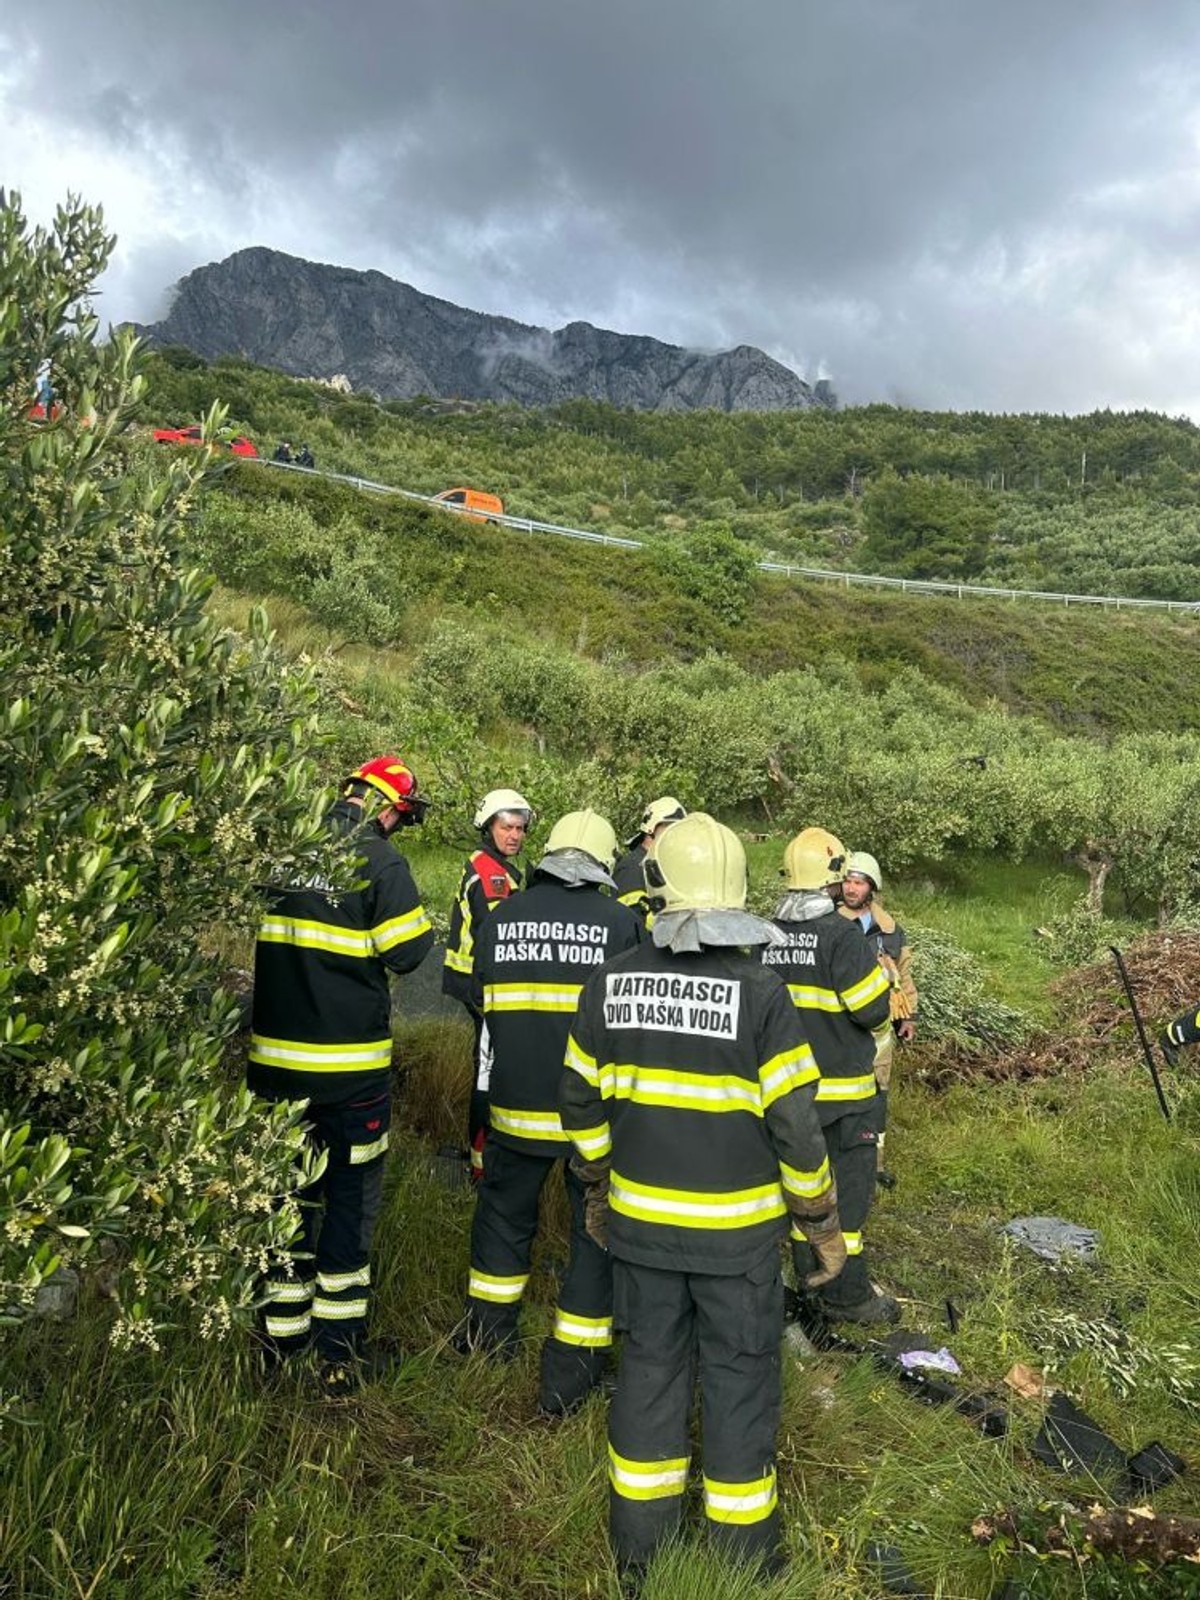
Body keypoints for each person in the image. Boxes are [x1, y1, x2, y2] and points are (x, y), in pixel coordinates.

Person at [560, 813, 844, 1578]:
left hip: (641, 1231)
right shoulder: (763, 995)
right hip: (739, 1245)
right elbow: (797, 1130)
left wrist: (598, 1186)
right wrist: (818, 1221)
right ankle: (744, 1560)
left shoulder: (608, 981)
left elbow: (579, 1106)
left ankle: (641, 1559)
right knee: (740, 1380)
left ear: (659, 892)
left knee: (649, 1372)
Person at [248, 755, 434, 1396]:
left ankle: (278, 1342)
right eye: (401, 818)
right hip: (351, 1076)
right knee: (349, 1208)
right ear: (387, 808)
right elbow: (410, 955)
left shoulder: (285, 847)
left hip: (273, 1073)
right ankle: (337, 1354)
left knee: (284, 1203)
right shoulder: (381, 863)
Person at [457, 810, 642, 1414]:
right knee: (593, 1238)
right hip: (586, 1118)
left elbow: (481, 1006)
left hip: (510, 1108)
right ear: (601, 862)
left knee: (503, 1221)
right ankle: (572, 1374)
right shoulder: (620, 924)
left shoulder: (502, 915)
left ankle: (487, 1337)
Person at [763, 827, 897, 1326]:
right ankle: (846, 1295)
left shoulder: (764, 935)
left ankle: (806, 1276)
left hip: (786, 1096)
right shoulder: (841, 937)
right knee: (850, 1195)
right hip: (844, 1097)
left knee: (802, 1186)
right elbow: (872, 1011)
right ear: (835, 879)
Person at [443, 788, 535, 1177]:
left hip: (476, 981)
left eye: (520, 828)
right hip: (480, 986)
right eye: (506, 827)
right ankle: (480, 1167)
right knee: (488, 1069)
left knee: (488, 1064)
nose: (514, 835)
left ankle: (479, 1152)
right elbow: (504, 932)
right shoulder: (491, 872)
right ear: (488, 827)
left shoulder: (496, 866)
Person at [839, 851, 918, 1186]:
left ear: (871, 888)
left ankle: (875, 1165)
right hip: (841, 1028)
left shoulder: (891, 930)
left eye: (858, 882)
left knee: (877, 1099)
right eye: (847, 881)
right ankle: (841, 1163)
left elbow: (904, 975)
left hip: (880, 1032)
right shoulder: (833, 925)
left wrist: (909, 1016)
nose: (851, 888)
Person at [611, 796, 687, 922]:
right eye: (671, 827)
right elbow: (631, 922)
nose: (677, 835)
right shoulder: (631, 869)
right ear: (651, 828)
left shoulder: (662, 864)